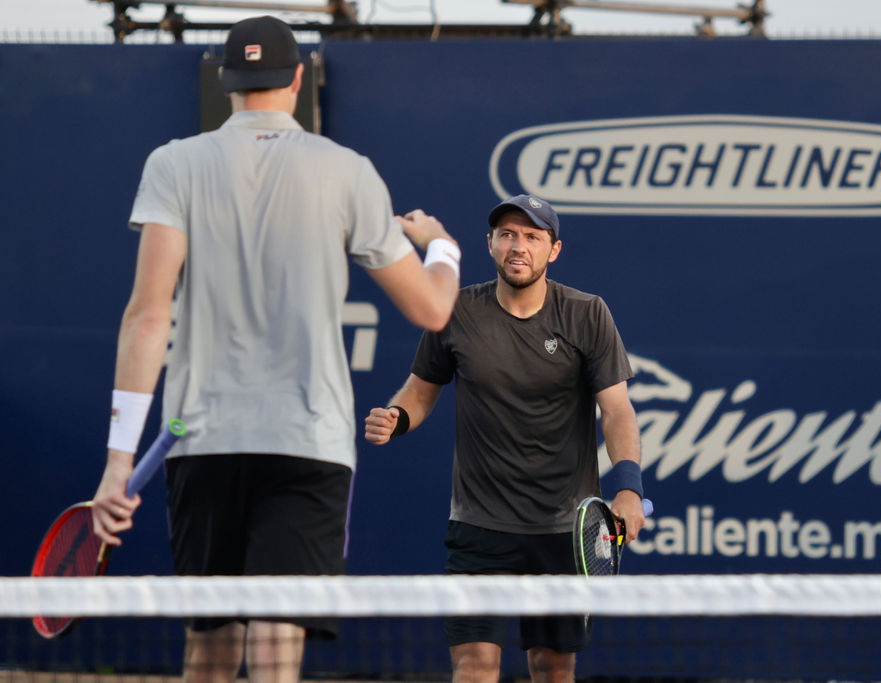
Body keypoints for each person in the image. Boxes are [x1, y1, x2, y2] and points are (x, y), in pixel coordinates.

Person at [90, 15, 461, 683]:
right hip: (306, 444)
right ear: (296, 79)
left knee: (210, 647)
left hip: (200, 443)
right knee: (275, 645)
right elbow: (433, 308)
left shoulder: (174, 163)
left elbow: (146, 317)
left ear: (227, 83)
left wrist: (119, 463)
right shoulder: (347, 171)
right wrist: (442, 248)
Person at [364, 194, 645, 683]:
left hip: (563, 531)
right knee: (473, 667)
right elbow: (421, 390)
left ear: (553, 250)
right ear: (490, 244)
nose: (519, 246)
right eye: (508, 235)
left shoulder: (587, 313)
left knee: (552, 669)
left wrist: (629, 489)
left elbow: (617, 409)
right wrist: (397, 416)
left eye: (532, 237)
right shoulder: (456, 311)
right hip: (479, 528)